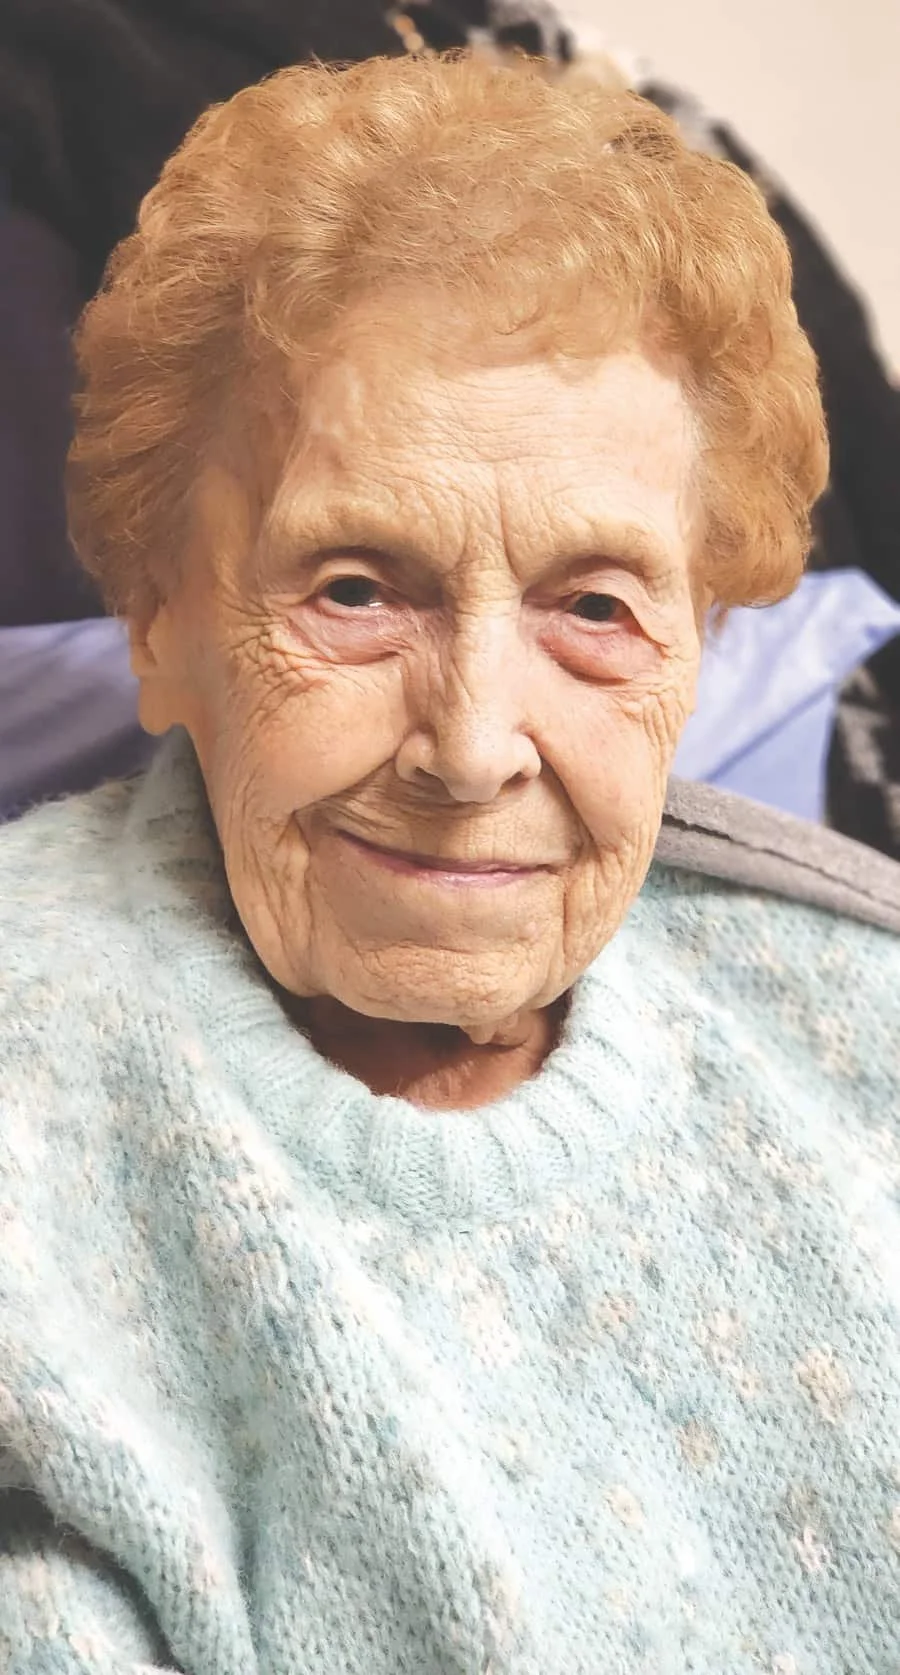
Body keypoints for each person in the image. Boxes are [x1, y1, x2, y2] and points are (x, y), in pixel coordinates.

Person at [0, 52, 898, 1675]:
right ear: (157, 620)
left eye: (597, 607)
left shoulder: (854, 1022)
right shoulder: (34, 1143)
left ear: (700, 643)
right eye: (355, 588)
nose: (474, 745)